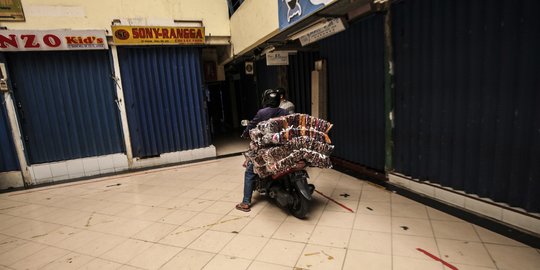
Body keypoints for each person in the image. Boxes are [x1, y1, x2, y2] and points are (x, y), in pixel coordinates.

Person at [237, 89, 288, 212]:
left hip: (265, 148)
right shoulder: (285, 111)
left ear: (265, 100)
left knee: (250, 171)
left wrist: (245, 132)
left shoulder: (261, 113)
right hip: (282, 147)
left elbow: (252, 125)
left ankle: (245, 202)